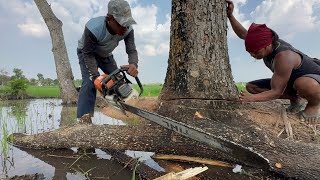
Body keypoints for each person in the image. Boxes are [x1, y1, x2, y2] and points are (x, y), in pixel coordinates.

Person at [226, 0, 320, 124]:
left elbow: (276, 92)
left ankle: (314, 105)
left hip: (314, 80)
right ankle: (296, 99)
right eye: (250, 52)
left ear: (267, 45)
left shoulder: (283, 56)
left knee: (303, 83)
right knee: (252, 87)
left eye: (255, 52)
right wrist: (230, 16)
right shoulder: (262, 42)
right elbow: (244, 34)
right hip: (291, 83)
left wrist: (251, 99)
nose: (252, 55)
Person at [76, 0, 139, 120]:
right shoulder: (94, 28)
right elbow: (88, 54)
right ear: (110, 18)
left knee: (118, 81)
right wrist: (96, 76)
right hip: (87, 53)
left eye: (127, 23)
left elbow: (131, 50)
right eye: (121, 23)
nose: (125, 27)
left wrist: (133, 64)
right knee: (90, 83)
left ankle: (127, 108)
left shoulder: (128, 30)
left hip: (106, 55)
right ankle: (83, 119)